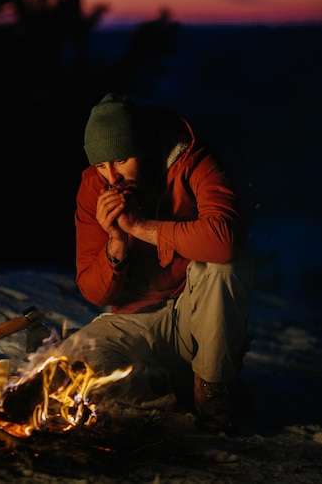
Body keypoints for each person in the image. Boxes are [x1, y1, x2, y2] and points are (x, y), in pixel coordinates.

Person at [56, 92, 254, 434]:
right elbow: (93, 291)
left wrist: (140, 228)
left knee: (221, 264)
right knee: (69, 371)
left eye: (120, 160)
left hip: (198, 315)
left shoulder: (194, 160)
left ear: (144, 146)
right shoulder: (94, 186)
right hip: (136, 320)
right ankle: (174, 387)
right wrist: (116, 244)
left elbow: (226, 240)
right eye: (102, 165)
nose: (111, 177)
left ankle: (211, 387)